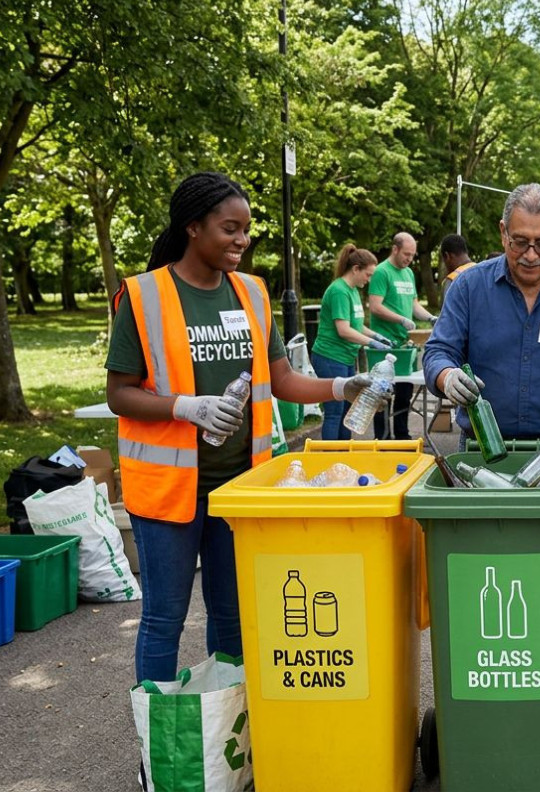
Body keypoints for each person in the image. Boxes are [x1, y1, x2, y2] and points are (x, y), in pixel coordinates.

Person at [106, 172, 382, 684]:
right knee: (164, 620)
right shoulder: (143, 296)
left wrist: (339, 388)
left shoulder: (252, 294)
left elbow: (281, 379)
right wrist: (186, 407)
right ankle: (156, 749)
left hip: (239, 489)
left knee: (233, 618)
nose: (242, 241)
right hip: (169, 493)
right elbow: (119, 393)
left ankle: (230, 738)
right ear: (192, 228)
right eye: (229, 229)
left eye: (246, 230)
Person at [423, 183, 540, 457]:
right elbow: (438, 351)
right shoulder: (468, 287)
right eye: (520, 242)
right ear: (503, 233)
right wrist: (447, 376)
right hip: (480, 450)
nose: (531, 255)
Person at [311, 244, 392, 440]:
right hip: (330, 357)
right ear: (356, 269)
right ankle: (330, 457)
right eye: (368, 274)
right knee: (334, 411)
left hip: (345, 358)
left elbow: (356, 325)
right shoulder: (339, 290)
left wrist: (375, 336)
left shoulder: (354, 290)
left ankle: (345, 453)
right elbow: (343, 330)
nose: (370, 279)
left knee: (348, 408)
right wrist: (370, 343)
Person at [366, 233, 438, 439]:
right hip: (383, 343)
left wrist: (430, 318)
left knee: (405, 391)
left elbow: (414, 305)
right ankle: (382, 437)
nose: (409, 259)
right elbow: (375, 306)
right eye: (406, 254)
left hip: (404, 343)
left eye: (412, 255)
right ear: (395, 249)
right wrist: (400, 319)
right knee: (382, 392)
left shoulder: (408, 274)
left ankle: (402, 434)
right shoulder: (381, 272)